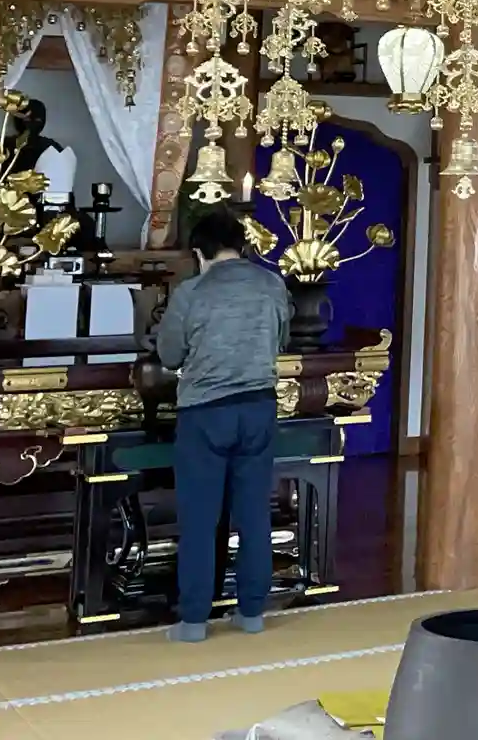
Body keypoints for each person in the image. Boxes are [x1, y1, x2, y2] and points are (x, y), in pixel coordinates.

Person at [154, 207, 292, 641]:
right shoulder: (272, 284)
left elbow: (169, 354)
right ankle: (251, 613)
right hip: (259, 407)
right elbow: (283, 338)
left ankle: (194, 620)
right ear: (242, 246)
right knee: (254, 514)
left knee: (200, 518)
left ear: (199, 252)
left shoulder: (191, 292)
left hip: (205, 412)